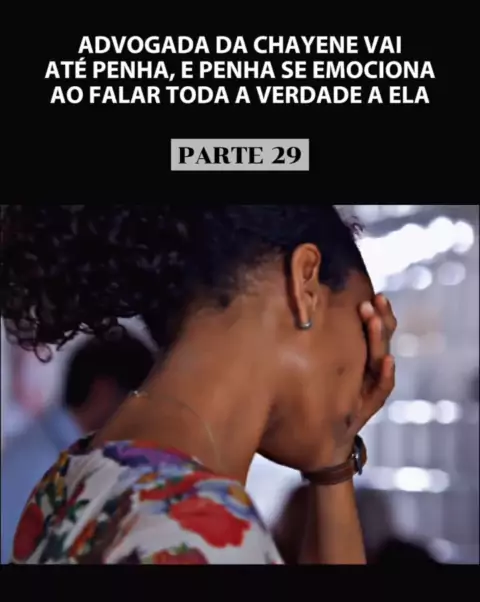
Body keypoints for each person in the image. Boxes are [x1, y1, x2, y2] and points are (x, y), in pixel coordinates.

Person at [2, 205, 397, 565]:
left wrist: (334, 461)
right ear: (305, 284)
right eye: (365, 327)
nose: (370, 368)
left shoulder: (71, 481)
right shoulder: (203, 535)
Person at [1, 333, 155, 562]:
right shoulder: (43, 467)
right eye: (140, 402)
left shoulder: (44, 451)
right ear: (103, 393)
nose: (146, 420)